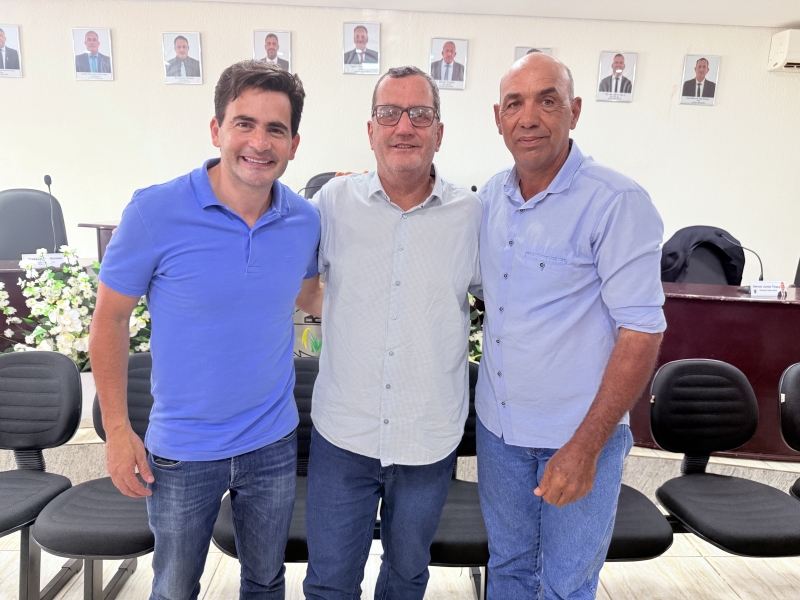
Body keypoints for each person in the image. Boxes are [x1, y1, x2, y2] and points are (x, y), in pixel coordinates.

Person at [89, 60, 321, 599]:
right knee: (174, 588)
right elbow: (110, 319)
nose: (259, 142)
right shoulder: (154, 211)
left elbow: (310, 297)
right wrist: (118, 431)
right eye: (244, 124)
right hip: (183, 450)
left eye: (276, 129)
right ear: (217, 129)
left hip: (272, 442)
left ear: (293, 144)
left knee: (266, 580)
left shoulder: (304, 219)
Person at [477, 52, 665, 599]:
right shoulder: (491, 197)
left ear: (574, 111)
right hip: (500, 432)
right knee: (508, 568)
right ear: (498, 117)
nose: (529, 117)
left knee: (565, 584)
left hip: (577, 435)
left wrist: (585, 448)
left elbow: (641, 333)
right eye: (515, 103)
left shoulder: (616, 202)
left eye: (547, 100)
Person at [302, 65, 482, 600]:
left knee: (406, 579)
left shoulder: (471, 214)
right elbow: (303, 289)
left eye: (420, 114)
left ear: (439, 132)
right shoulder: (333, 203)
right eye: (389, 113)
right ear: (370, 129)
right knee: (329, 584)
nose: (404, 126)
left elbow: (502, 301)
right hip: (344, 434)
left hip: (427, 437)